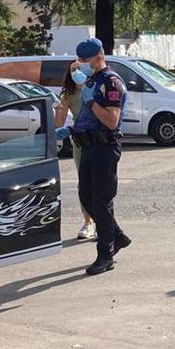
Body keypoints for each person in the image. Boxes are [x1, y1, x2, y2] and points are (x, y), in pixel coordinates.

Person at [68, 39, 131, 275]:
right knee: (86, 196)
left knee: (102, 202)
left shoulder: (110, 82)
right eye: (79, 60)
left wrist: (92, 100)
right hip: (88, 147)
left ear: (99, 56)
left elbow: (112, 120)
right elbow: (86, 118)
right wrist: (71, 130)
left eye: (85, 60)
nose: (81, 64)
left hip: (105, 147)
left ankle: (105, 254)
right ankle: (116, 236)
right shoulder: (91, 81)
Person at [55, 63, 96, 241]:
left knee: (101, 183)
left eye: (80, 68)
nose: (77, 72)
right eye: (73, 70)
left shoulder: (95, 87)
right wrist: (60, 106)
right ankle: (88, 221)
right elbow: (59, 122)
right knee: (84, 183)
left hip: (100, 141)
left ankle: (103, 222)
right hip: (81, 143)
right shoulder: (69, 94)